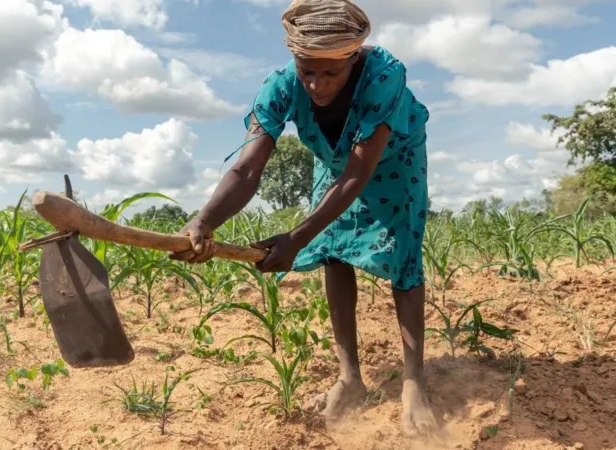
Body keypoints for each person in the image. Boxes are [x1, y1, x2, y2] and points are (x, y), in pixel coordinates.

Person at [168, 0, 436, 435]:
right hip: (333, 162)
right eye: (306, 71)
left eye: (330, 72)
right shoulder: (278, 86)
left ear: (352, 56)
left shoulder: (383, 77)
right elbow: (246, 168)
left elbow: (357, 174)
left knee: (403, 252)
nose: (316, 84)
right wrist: (205, 221)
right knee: (332, 251)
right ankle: (350, 378)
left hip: (392, 160)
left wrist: (295, 236)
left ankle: (413, 382)